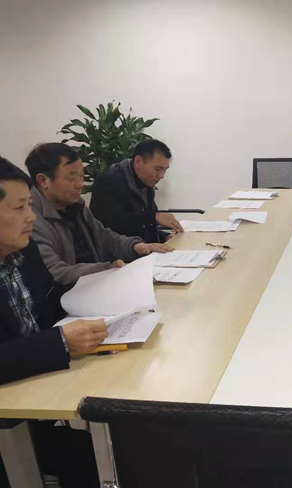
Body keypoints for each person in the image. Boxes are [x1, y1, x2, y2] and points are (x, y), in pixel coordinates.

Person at [0, 156, 102, 487]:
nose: (31, 216)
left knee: (118, 441)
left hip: (40, 388)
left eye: (29, 205)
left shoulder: (23, 250)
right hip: (11, 420)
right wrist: (60, 341)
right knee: (93, 459)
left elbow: (50, 305)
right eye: (19, 208)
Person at [26, 143, 172, 285]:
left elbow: (103, 237)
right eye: (71, 178)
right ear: (43, 180)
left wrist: (135, 246)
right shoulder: (29, 219)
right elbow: (53, 272)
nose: (80, 184)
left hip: (97, 286)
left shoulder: (75, 205)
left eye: (81, 177)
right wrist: (107, 269)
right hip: (69, 296)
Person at [90, 139, 183, 242]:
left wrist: (165, 237)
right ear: (138, 161)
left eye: (164, 170)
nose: (161, 176)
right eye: (157, 169)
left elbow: (145, 229)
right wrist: (153, 218)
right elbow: (111, 226)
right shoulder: (109, 181)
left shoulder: (145, 182)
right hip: (122, 251)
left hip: (144, 248)